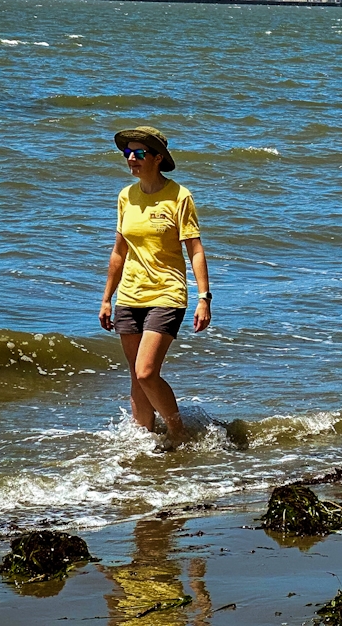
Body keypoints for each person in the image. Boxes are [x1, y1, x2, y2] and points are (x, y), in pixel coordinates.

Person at [99, 126, 212, 449]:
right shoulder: (126, 196)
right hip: (130, 296)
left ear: (158, 158)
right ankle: (144, 446)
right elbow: (119, 251)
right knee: (136, 377)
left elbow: (195, 249)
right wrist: (107, 298)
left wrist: (204, 298)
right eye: (128, 153)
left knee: (147, 371)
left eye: (139, 153)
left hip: (167, 293)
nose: (132, 158)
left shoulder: (179, 197)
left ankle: (178, 433)